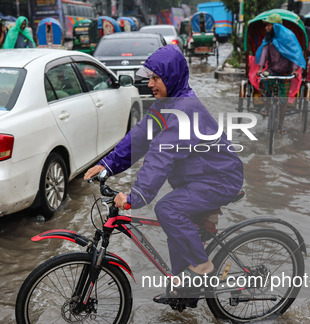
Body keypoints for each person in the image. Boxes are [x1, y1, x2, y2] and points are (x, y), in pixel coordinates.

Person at [83, 45, 244, 306]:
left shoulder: (184, 111)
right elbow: (139, 138)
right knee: (176, 224)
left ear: (170, 78)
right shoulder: (165, 106)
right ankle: (185, 290)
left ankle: (202, 267)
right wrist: (108, 165)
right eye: (150, 77)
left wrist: (135, 197)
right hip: (199, 178)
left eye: (156, 78)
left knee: (168, 208)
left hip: (219, 178)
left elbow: (160, 156)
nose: (150, 83)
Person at [255, 13, 306, 134]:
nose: (266, 28)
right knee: (263, 82)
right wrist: (261, 68)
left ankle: (281, 125)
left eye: (268, 25)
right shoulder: (269, 40)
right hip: (271, 71)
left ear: (275, 26)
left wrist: (294, 70)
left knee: (283, 102)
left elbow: (294, 54)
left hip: (286, 73)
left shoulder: (289, 37)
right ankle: (267, 106)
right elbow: (264, 53)